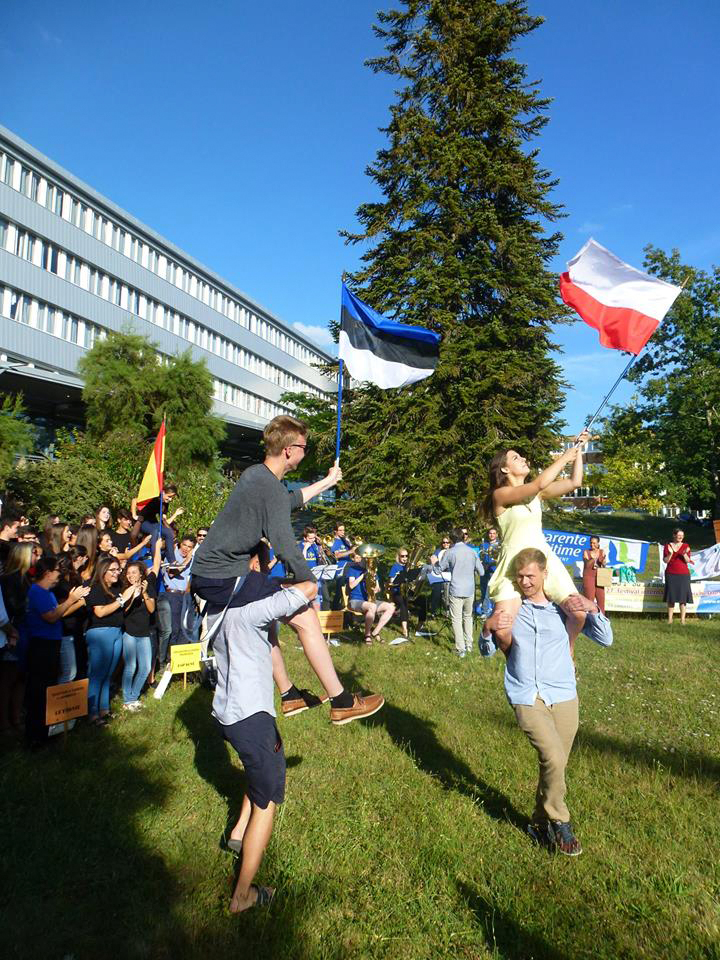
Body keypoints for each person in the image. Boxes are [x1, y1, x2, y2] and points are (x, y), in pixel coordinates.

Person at [192, 414, 384, 725]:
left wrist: (328, 481)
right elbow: (285, 545)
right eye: (304, 448)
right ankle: (341, 700)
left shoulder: (258, 477)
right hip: (224, 578)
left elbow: (289, 500)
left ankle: (290, 694)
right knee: (305, 615)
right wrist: (309, 586)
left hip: (215, 576)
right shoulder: (266, 484)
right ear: (289, 450)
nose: (305, 453)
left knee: (269, 616)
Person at [480, 548, 612, 855]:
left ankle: (537, 823)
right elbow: (486, 650)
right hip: (526, 695)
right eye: (520, 576)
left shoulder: (562, 610)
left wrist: (592, 607)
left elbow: (606, 638)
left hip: (564, 694)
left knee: (555, 763)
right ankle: (561, 822)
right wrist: (487, 629)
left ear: (544, 575)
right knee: (553, 757)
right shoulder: (513, 610)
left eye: (531, 576)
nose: (525, 582)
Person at [213, 541, 321, 912]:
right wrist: (290, 562)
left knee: (257, 773)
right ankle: (242, 895)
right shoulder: (252, 609)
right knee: (269, 797)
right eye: (263, 562)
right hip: (250, 717)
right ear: (252, 566)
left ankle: (238, 834)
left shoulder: (218, 607)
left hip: (228, 714)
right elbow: (309, 589)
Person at [483, 433, 595, 656]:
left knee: (578, 614)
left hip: (544, 560)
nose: (523, 459)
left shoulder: (537, 494)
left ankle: (567, 653)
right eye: (516, 458)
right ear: (504, 469)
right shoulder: (500, 495)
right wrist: (565, 456)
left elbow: (575, 482)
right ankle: (516, 661)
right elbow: (538, 483)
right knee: (503, 630)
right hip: (511, 564)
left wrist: (579, 449)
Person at [24, 556, 89, 746]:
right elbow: (52, 616)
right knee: (39, 691)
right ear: (47, 573)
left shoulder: (47, 592)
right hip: (41, 646)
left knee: (48, 688)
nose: (59, 575)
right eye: (56, 571)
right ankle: (36, 736)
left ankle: (46, 731)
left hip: (51, 644)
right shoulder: (37, 592)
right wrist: (71, 600)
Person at [85, 556, 137, 725]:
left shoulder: (116, 589)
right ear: (103, 571)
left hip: (116, 632)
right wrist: (123, 598)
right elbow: (100, 612)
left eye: (118, 570)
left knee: (108, 674)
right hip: (100, 633)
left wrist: (130, 598)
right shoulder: (96, 589)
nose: (117, 573)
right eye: (113, 570)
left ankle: (104, 709)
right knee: (97, 674)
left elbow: (121, 609)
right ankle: (92, 713)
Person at [121, 540, 162, 710]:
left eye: (133, 573)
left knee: (145, 668)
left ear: (140, 574)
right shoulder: (124, 589)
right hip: (130, 633)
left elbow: (151, 609)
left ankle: (133, 696)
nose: (130, 576)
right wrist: (132, 595)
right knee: (131, 667)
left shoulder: (149, 586)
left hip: (144, 633)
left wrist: (144, 593)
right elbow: (123, 610)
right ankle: (126, 699)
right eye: (128, 573)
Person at [432, 528, 484, 657]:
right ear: (463, 537)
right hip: (470, 590)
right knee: (468, 617)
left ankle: (461, 649)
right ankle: (469, 645)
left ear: (451, 539)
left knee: (456, 619)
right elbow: (481, 572)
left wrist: (434, 562)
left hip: (456, 589)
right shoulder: (472, 552)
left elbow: (438, 570)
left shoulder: (450, 552)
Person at [345, 550, 396, 644]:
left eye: (362, 558)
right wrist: (363, 576)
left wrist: (376, 589)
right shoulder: (353, 569)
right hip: (355, 600)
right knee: (372, 607)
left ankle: (375, 631)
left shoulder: (372, 570)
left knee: (391, 607)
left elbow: (378, 588)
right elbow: (351, 585)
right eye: (358, 558)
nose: (360, 560)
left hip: (369, 600)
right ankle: (367, 635)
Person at [663, 528, 693, 624]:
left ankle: (682, 620)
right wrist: (671, 554)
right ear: (674, 535)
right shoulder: (668, 546)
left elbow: (688, 561)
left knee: (683, 598)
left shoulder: (686, 546)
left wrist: (684, 554)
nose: (680, 537)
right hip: (671, 574)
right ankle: (670, 620)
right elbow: (665, 560)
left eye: (682, 535)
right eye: (679, 535)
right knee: (671, 598)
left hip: (683, 574)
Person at [387, 549, 412, 641]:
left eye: (406, 556)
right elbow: (391, 582)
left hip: (407, 591)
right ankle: (405, 629)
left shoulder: (409, 567)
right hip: (397, 592)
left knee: (422, 600)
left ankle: (419, 626)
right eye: (402, 556)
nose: (405, 558)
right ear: (398, 556)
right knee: (403, 603)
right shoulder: (395, 567)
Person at [478, 527, 501, 618]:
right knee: (484, 590)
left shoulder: (499, 545)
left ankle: (494, 611)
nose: (492, 535)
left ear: (497, 534)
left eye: (493, 533)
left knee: (492, 591)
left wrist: (491, 564)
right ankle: (485, 611)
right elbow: (480, 557)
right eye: (490, 533)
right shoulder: (484, 544)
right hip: (484, 570)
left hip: (494, 570)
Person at [581, 536, 607, 615]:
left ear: (598, 543)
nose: (592, 545)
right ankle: (589, 618)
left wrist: (604, 561)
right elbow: (587, 564)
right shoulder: (586, 552)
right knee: (590, 598)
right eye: (591, 543)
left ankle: (601, 619)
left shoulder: (602, 551)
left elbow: (604, 565)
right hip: (588, 576)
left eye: (594, 543)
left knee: (601, 598)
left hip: (599, 576)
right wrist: (593, 558)